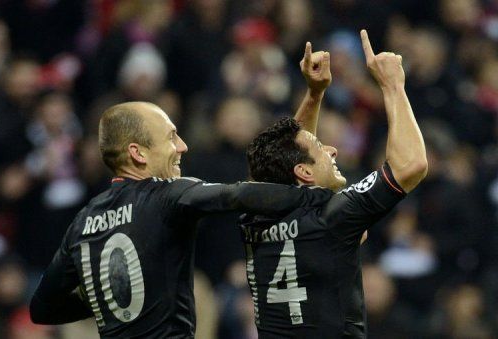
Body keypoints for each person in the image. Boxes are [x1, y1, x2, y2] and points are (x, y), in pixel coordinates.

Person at [29, 101, 335, 338]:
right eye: (171, 137)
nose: (182, 146)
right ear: (138, 153)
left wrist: (105, 295)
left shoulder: (83, 221)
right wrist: (324, 198)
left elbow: (42, 308)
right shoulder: (168, 195)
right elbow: (238, 195)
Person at [240, 30, 427, 338]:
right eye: (321, 149)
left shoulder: (253, 215)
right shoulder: (331, 217)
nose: (332, 149)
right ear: (305, 173)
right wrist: (393, 85)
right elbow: (411, 165)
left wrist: (314, 94)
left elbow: (285, 158)